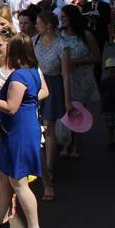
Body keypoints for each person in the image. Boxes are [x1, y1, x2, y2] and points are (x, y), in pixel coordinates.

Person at [0, 33, 48, 228]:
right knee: (4, 175)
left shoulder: (18, 76)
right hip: (18, 130)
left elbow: (11, 107)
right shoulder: (32, 71)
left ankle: (34, 227)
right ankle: (0, 217)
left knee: (19, 181)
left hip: (19, 133)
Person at [33, 11, 72, 202]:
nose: (36, 25)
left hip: (53, 85)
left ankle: (48, 166)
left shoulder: (61, 45)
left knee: (48, 127)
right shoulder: (35, 41)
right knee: (35, 125)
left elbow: (65, 75)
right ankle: (35, 163)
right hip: (36, 83)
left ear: (48, 25)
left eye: (39, 23)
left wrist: (67, 99)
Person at [59, 5, 100, 159]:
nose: (61, 20)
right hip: (66, 77)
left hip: (82, 79)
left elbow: (97, 57)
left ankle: (76, 144)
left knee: (79, 112)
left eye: (64, 17)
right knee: (66, 110)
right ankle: (66, 143)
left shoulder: (86, 36)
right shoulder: (60, 35)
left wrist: (78, 62)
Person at [99, 58, 115, 152]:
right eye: (110, 70)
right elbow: (101, 95)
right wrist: (101, 106)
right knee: (110, 126)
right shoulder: (104, 82)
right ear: (107, 71)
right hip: (107, 107)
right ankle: (111, 141)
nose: (113, 72)